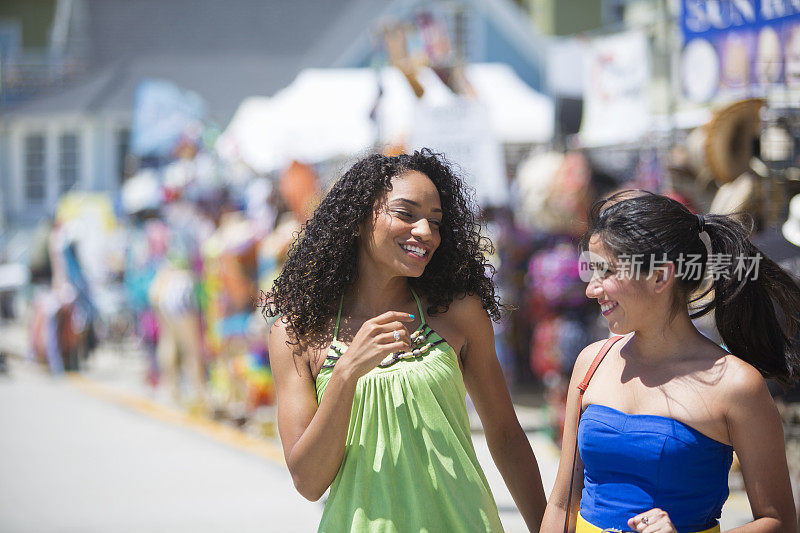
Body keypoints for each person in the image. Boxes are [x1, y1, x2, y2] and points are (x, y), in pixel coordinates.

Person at [266, 149, 546, 532]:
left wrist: (546, 527)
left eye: (435, 221)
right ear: (359, 220)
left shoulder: (457, 313)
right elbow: (309, 482)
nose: (425, 232)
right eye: (405, 214)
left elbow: (507, 437)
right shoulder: (297, 334)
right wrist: (346, 372)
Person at [542, 190, 800, 533]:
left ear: (661, 277)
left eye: (606, 272)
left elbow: (780, 522)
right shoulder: (592, 361)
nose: (592, 289)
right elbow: (561, 504)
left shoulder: (736, 384)